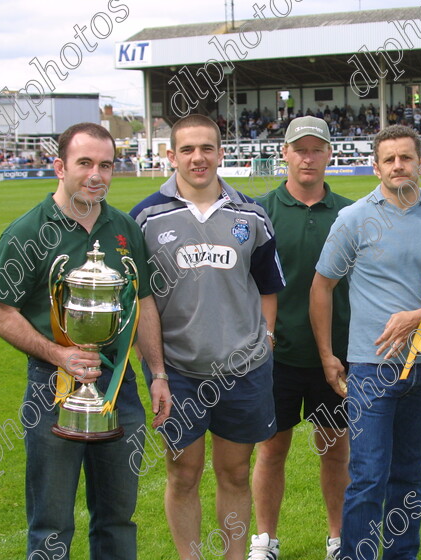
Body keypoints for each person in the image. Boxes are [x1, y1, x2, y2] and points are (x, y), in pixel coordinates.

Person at [0, 122, 171, 559]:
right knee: (51, 522)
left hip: (117, 389)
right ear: (59, 167)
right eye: (84, 163)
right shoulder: (27, 232)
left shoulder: (123, 226)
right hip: (52, 387)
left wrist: (158, 374)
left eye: (105, 165)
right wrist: (59, 354)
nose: (96, 175)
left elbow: (142, 302)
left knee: (117, 518)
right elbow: (1, 313)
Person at [131, 114, 285, 560]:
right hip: (177, 371)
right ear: (171, 155)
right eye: (187, 150)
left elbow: (268, 288)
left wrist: (267, 339)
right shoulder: (146, 217)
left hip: (243, 368)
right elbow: (140, 301)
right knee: (183, 473)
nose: (198, 158)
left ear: (221, 152)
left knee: (235, 473)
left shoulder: (251, 215)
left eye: (207, 148)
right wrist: (157, 369)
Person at [310, 124, 421, 560]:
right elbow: (322, 286)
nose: (398, 166)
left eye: (406, 157)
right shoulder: (353, 219)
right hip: (371, 368)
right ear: (376, 167)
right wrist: (328, 355)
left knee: (410, 477)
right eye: (389, 159)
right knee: (368, 475)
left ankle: (401, 555)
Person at [251, 117, 353, 560]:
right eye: (300, 149)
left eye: (316, 149)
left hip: (337, 356)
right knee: (271, 449)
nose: (308, 157)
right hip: (276, 357)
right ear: (285, 154)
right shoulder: (257, 212)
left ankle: (338, 539)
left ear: (329, 153)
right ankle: (265, 540)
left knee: (334, 450)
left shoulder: (352, 212)